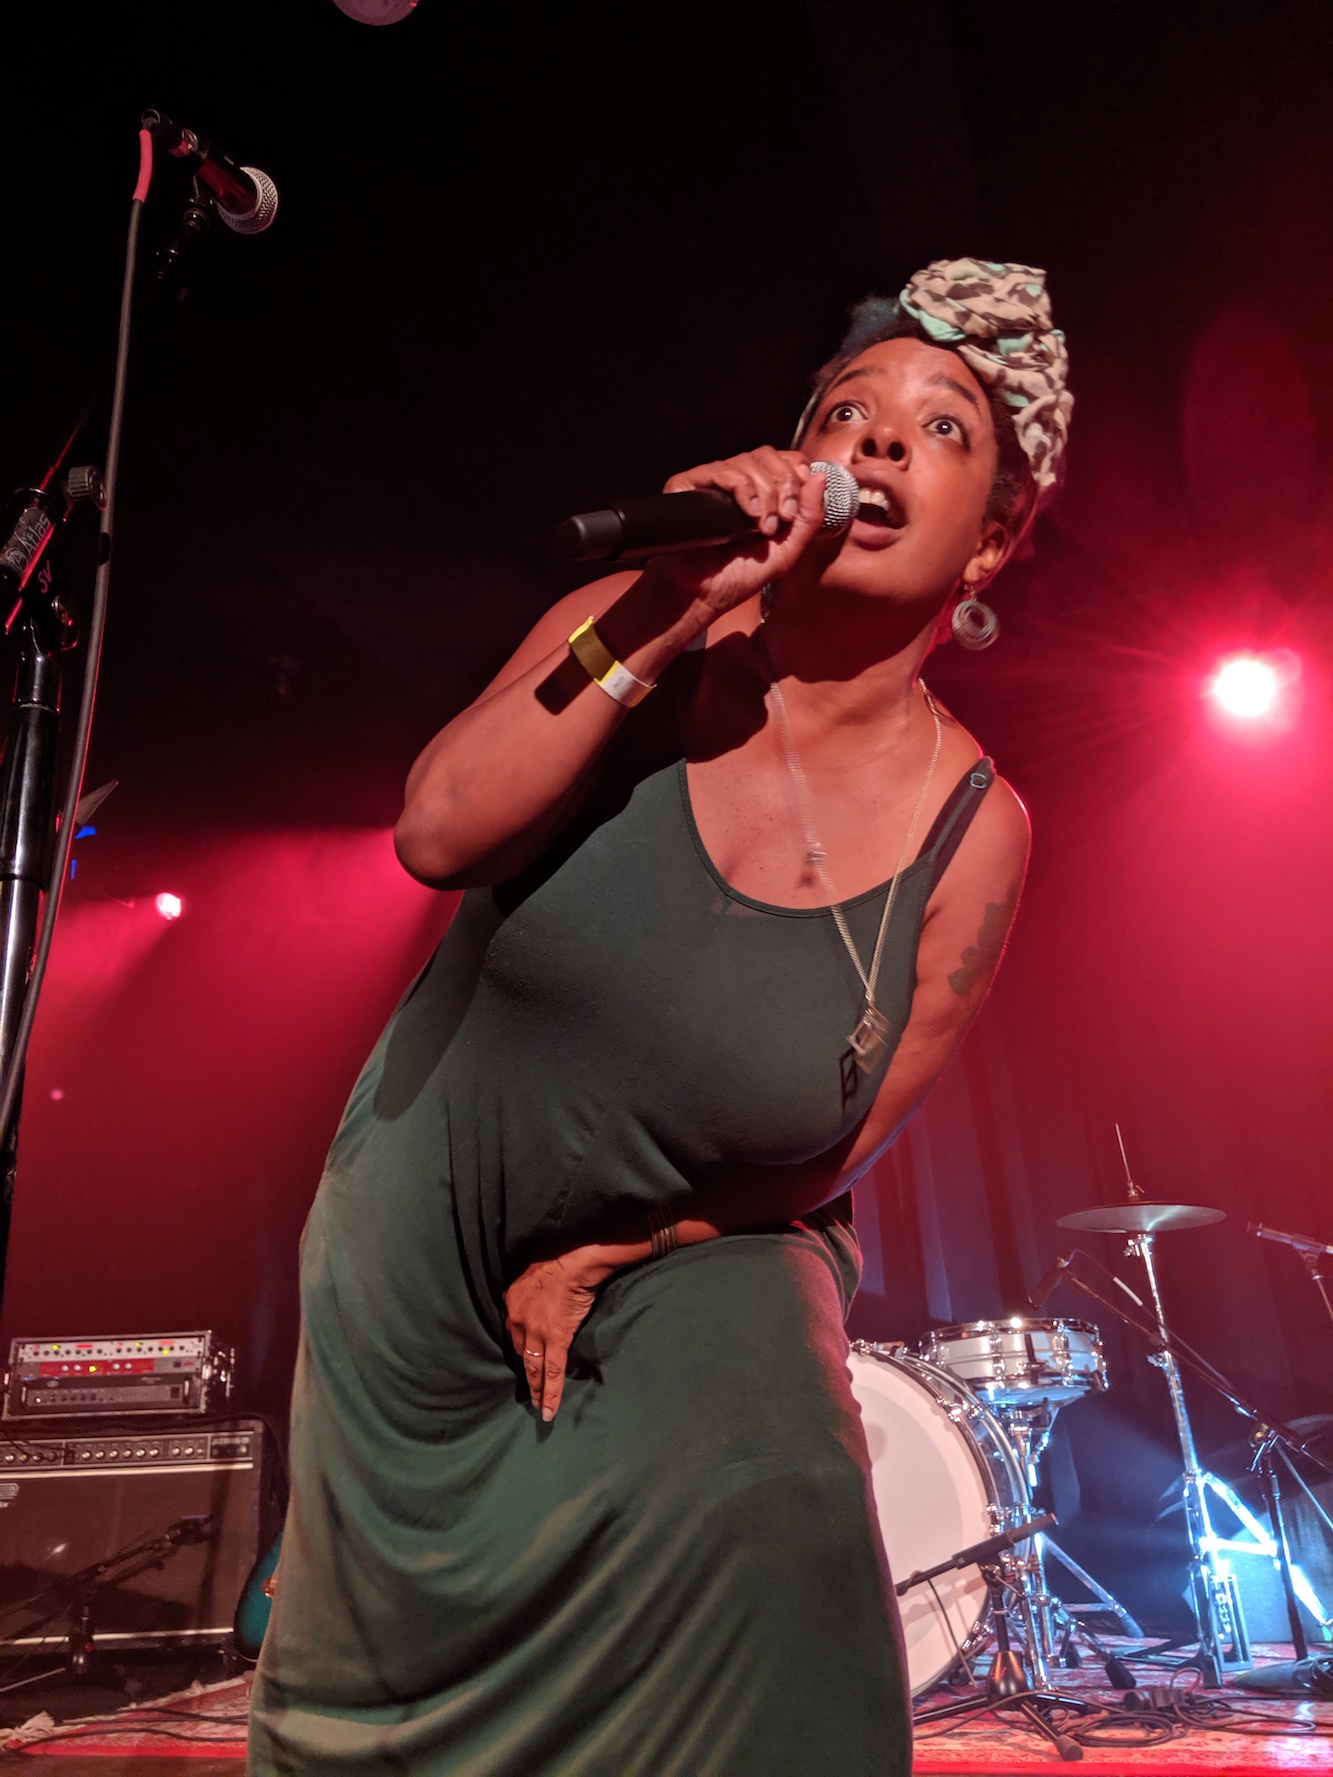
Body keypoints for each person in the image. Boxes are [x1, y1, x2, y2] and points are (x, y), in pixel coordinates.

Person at [248, 258, 1073, 1776]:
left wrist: (632, 1247)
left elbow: (835, 1149)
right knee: (378, 1729)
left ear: (992, 542)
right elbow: (436, 829)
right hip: (426, 1258)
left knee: (785, 1493)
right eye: (846, 414)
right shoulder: (642, 628)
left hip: (688, 1258)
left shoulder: (977, 831)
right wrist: (671, 604)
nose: (881, 440)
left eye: (940, 427)